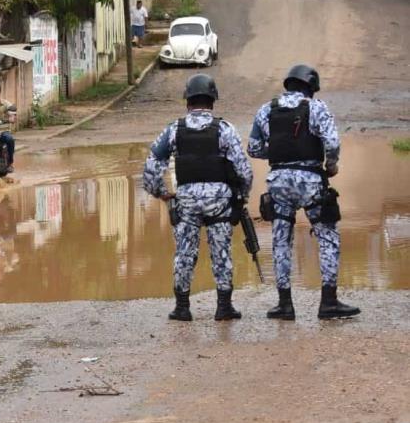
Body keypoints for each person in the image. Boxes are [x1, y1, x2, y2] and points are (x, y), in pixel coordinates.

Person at [247, 64, 360, 320]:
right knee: (327, 236)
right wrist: (330, 167)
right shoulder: (317, 107)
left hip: (278, 182)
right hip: (311, 180)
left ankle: (284, 305)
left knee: (280, 240)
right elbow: (331, 143)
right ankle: (328, 302)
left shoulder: (267, 109)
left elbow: (253, 149)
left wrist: (277, 153)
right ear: (310, 88)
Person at [143, 73, 252, 321]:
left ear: (187, 100)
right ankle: (224, 307)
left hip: (187, 202)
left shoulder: (173, 130)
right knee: (221, 252)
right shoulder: (225, 129)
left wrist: (163, 194)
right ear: (212, 101)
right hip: (219, 203)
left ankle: (182, 307)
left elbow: (151, 167)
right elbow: (244, 170)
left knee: (184, 252)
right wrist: (240, 199)